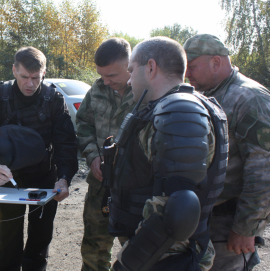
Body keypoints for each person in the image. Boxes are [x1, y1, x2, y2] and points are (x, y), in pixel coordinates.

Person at [109, 37, 228, 271]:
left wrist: (128, 264)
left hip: (167, 257)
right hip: (158, 252)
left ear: (151, 68)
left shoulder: (180, 113)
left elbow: (176, 211)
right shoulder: (168, 109)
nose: (130, 79)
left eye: (132, 70)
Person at [0, 46, 78, 271]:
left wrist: (64, 178)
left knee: (40, 237)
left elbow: (66, 143)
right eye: (25, 77)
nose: (30, 84)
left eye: (36, 78)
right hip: (9, 178)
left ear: (43, 73)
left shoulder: (53, 99)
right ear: (14, 70)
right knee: (9, 238)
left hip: (45, 177)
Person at [184, 34, 270, 271]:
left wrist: (245, 229)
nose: (187, 73)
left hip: (229, 221)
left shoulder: (250, 98)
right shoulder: (209, 94)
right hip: (207, 218)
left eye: (191, 66)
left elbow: (263, 170)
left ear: (215, 62)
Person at [76, 38, 135, 271]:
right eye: (102, 75)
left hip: (135, 189)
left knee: (136, 250)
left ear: (130, 66)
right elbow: (84, 125)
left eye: (112, 75)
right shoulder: (97, 89)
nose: (105, 81)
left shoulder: (147, 90)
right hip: (100, 185)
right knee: (94, 248)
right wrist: (93, 156)